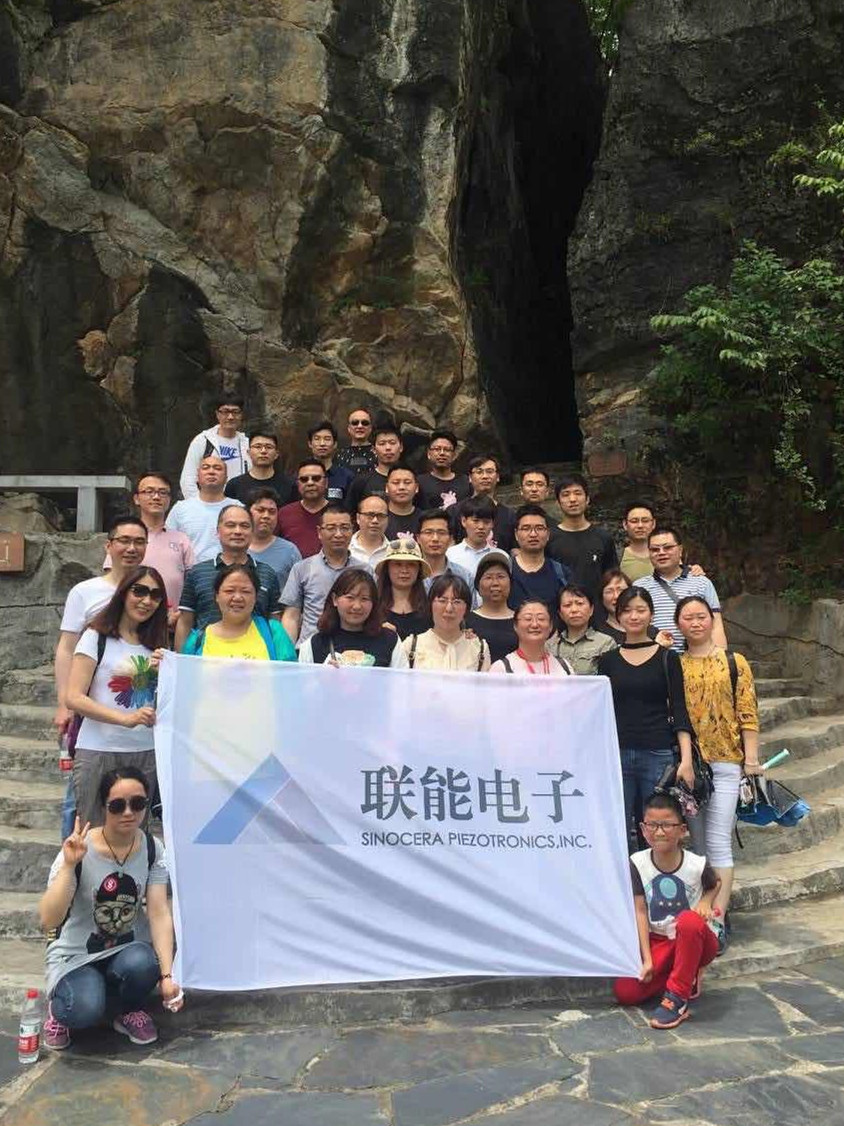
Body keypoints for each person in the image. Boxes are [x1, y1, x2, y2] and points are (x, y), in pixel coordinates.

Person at [40, 766, 181, 1050]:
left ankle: (126, 1010)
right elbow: (48, 919)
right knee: (84, 1007)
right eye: (118, 805)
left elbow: (158, 912)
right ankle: (61, 1010)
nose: (128, 812)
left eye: (137, 803)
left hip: (126, 950)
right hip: (76, 955)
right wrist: (68, 866)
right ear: (104, 807)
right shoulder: (78, 849)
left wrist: (167, 976)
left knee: (145, 962)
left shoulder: (152, 848)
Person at [676, 595, 761, 953]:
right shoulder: (675, 663)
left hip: (726, 764)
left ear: (712, 621)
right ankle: (701, 914)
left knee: (718, 841)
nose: (696, 623)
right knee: (697, 846)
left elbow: (748, 711)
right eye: (688, 618)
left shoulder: (733, 661)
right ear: (678, 624)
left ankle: (717, 919)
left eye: (701, 616)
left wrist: (751, 759)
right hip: (691, 768)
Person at [65, 567, 168, 830]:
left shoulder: (158, 645)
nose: (147, 600)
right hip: (98, 750)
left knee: (134, 835)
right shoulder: (95, 637)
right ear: (123, 593)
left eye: (155, 595)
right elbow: (73, 697)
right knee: (91, 834)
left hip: (145, 753)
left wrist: (167, 673)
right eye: (139, 591)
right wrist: (124, 719)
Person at [596, 586, 694, 848]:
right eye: (627, 610)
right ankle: (626, 875)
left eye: (640, 610)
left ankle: (655, 873)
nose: (634, 616)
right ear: (618, 615)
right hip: (618, 754)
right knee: (616, 827)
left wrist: (686, 760)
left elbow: (680, 709)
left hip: (658, 753)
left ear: (651, 614)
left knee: (656, 828)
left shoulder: (667, 658)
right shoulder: (607, 661)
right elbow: (601, 712)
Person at [614, 792, 721, 1030]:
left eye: (667, 825)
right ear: (643, 829)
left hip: (695, 939)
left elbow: (716, 883)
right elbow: (640, 911)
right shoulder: (637, 863)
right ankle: (685, 975)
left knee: (689, 921)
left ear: (682, 830)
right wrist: (647, 960)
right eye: (652, 825)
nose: (659, 832)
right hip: (659, 940)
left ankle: (676, 999)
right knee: (626, 992)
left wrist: (706, 902)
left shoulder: (697, 864)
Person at [175, 505, 281, 651]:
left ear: (252, 532)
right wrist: (179, 660)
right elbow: (185, 621)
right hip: (207, 656)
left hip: (255, 658)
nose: (237, 531)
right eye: (230, 525)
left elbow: (275, 623)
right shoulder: (198, 573)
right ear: (218, 531)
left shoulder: (267, 573)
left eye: (244, 526)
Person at [104, 474, 194, 628]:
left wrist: (180, 616)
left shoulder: (181, 539)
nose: (156, 497)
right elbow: (112, 579)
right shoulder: (125, 537)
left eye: (162, 492)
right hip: (129, 623)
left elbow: (191, 583)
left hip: (171, 624)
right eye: (149, 491)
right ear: (136, 498)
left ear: (169, 499)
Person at [280, 504, 364, 645]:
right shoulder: (302, 568)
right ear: (319, 532)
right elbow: (291, 616)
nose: (338, 534)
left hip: (353, 649)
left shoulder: (364, 570)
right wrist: (288, 652)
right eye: (331, 528)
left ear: (352, 531)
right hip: (310, 648)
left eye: (345, 528)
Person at [637, 527, 727, 650]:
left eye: (668, 547)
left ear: (680, 550)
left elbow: (716, 625)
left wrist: (720, 656)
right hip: (654, 656)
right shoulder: (640, 586)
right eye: (655, 549)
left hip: (696, 656)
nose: (661, 553)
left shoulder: (701, 582)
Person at [182, 563, 296, 660]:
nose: (237, 598)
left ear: (256, 597)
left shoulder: (274, 632)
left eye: (245, 591)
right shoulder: (197, 641)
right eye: (229, 591)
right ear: (217, 596)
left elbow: (289, 674)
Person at [298, 569, 408, 667]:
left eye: (364, 599)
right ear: (335, 599)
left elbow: (402, 681)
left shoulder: (390, 641)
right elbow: (304, 682)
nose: (357, 606)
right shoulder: (314, 644)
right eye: (350, 597)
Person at [546, 473, 618, 601]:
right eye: (566, 494)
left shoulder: (603, 537)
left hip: (597, 608)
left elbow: (612, 578)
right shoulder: (548, 538)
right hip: (562, 607)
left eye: (578, 493)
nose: (572, 499)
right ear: (558, 502)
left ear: (587, 499)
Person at [403, 575, 491, 671]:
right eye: (442, 601)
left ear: (467, 608)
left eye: (457, 602)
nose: (449, 608)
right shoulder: (411, 647)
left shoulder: (479, 649)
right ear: (430, 605)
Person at [166, 455, 244, 563]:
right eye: (206, 468)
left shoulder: (238, 508)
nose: (211, 472)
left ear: (226, 478)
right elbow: (169, 544)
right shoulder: (181, 509)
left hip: (232, 570)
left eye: (217, 468)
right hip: (191, 571)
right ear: (197, 477)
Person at [179, 394, 250, 499]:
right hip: (209, 502)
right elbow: (188, 479)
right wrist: (198, 505)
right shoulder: (203, 440)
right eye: (225, 412)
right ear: (217, 414)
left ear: (241, 415)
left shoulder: (247, 443)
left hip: (240, 503)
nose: (230, 417)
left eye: (235, 412)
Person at [508, 504, 570, 610]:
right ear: (516, 534)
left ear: (548, 534)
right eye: (526, 529)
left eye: (539, 528)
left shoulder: (562, 574)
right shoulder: (506, 571)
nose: (533, 534)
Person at [490, 600, 574, 675]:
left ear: (551, 626)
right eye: (528, 619)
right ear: (515, 625)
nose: (535, 624)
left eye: (541, 619)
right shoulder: (501, 669)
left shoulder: (564, 667)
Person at [549, 584, 615, 674]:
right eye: (567, 605)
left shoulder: (606, 643)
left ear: (591, 609)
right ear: (560, 613)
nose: (574, 610)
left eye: (580, 604)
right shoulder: (550, 646)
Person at [465, 552, 517, 664]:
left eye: (501, 577)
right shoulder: (465, 621)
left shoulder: (521, 620)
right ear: (478, 585)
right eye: (488, 577)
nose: (495, 583)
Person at [375, 539, 431, 639]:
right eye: (398, 564)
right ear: (387, 568)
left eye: (411, 564)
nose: (404, 570)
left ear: (419, 570)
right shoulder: (372, 606)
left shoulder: (431, 608)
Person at [247, 488, 301, 589]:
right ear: (248, 513)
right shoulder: (235, 547)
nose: (266, 516)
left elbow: (299, 590)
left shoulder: (290, 551)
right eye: (260, 510)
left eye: (272, 512)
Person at [224, 430, 295, 508]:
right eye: (258, 446)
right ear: (249, 452)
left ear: (276, 454)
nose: (263, 451)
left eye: (269, 447)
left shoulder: (290, 485)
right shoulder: (234, 485)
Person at [345, 423, 405, 514]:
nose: (388, 448)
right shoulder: (361, 482)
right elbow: (349, 514)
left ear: (401, 447)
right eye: (382, 444)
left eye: (392, 443)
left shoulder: (410, 480)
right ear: (373, 450)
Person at [276, 459, 329, 558]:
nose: (310, 483)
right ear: (298, 483)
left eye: (316, 478)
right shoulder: (283, 514)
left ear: (326, 482)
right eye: (304, 479)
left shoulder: (340, 514)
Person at [416, 509, 474, 592]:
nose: (435, 539)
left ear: (450, 539)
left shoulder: (464, 576)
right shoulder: (409, 574)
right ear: (418, 538)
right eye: (428, 532)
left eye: (441, 533)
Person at [466, 455, 515, 551]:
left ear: (498, 477)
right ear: (470, 477)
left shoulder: (509, 515)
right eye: (479, 472)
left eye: (489, 471)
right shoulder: (455, 511)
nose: (485, 476)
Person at [416, 430, 472, 510]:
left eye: (447, 450)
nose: (442, 453)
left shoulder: (466, 482)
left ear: (454, 455)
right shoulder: (419, 482)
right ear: (428, 454)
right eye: (437, 449)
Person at [445, 496, 496, 579]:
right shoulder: (450, 555)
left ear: (493, 524)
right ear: (463, 521)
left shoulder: (500, 556)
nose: (481, 527)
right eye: (475, 521)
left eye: (486, 522)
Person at [307, 420, 355, 502]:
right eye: (317, 439)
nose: (322, 443)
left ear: (335, 444)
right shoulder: (302, 477)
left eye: (327, 439)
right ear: (310, 444)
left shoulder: (347, 477)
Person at [350, 493, 391, 567]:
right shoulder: (345, 548)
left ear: (387, 520)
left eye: (381, 516)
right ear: (358, 518)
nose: (375, 520)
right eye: (370, 515)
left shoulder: (393, 552)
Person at [619, 502, 657, 582]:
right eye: (634, 521)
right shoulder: (617, 557)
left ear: (653, 524)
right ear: (625, 524)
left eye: (645, 521)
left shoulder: (665, 554)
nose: (640, 525)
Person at [334, 407, 377, 475]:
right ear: (349, 428)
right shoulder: (339, 455)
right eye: (355, 423)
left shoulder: (379, 454)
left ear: (370, 428)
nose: (360, 426)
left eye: (365, 423)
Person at [385, 465, 421, 537]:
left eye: (407, 482)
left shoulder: (425, 519)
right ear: (386, 488)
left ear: (416, 488)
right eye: (396, 483)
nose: (402, 487)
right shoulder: (379, 518)